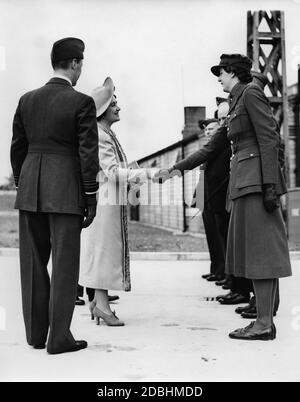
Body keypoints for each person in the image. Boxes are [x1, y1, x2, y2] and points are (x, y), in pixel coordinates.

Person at [10, 38, 99, 354]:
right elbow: (88, 155)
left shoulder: (26, 100)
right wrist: (90, 197)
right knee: (64, 265)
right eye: (81, 65)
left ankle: (36, 335)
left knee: (32, 264)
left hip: (31, 189)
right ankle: (58, 338)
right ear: (75, 63)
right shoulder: (82, 102)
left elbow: (17, 149)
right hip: (65, 192)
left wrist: (26, 183)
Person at [210, 53, 291, 340]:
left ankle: (264, 323)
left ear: (233, 72)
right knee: (253, 253)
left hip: (257, 183)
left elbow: (270, 137)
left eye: (221, 72)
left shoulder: (251, 92)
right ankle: (262, 320)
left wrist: (270, 184)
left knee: (262, 254)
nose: (218, 77)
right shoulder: (237, 98)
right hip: (246, 182)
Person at [79, 78, 147, 326]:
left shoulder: (106, 133)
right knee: (104, 251)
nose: (119, 108)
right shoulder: (100, 134)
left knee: (104, 251)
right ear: (102, 110)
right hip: (105, 202)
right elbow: (110, 171)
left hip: (110, 200)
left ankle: (99, 303)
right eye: (114, 104)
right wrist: (142, 174)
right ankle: (103, 307)